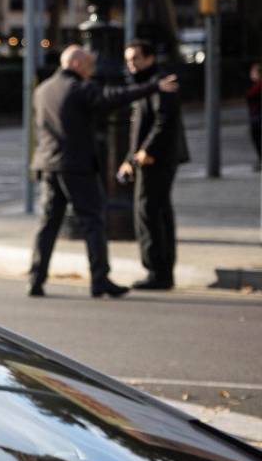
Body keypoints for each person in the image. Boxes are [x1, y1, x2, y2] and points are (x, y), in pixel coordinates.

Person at [28, 44, 179, 298]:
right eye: (89, 66)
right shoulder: (77, 88)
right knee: (93, 222)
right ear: (76, 64)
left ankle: (36, 278)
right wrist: (152, 86)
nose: (92, 72)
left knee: (47, 225)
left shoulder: (43, 89)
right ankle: (100, 279)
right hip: (76, 166)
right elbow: (112, 97)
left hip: (48, 165)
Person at [116, 40, 189, 290]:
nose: (131, 64)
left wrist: (145, 151)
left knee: (148, 213)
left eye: (135, 58)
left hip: (157, 159)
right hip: (148, 158)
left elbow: (163, 121)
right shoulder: (146, 84)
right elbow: (139, 128)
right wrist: (129, 159)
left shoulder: (161, 83)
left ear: (149, 58)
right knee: (157, 212)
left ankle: (158, 273)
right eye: (128, 59)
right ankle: (162, 271)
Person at [248, 62, 261, 170]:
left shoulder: (258, 86)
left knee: (258, 137)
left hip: (258, 117)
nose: (251, 74)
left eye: (253, 72)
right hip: (256, 115)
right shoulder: (255, 85)